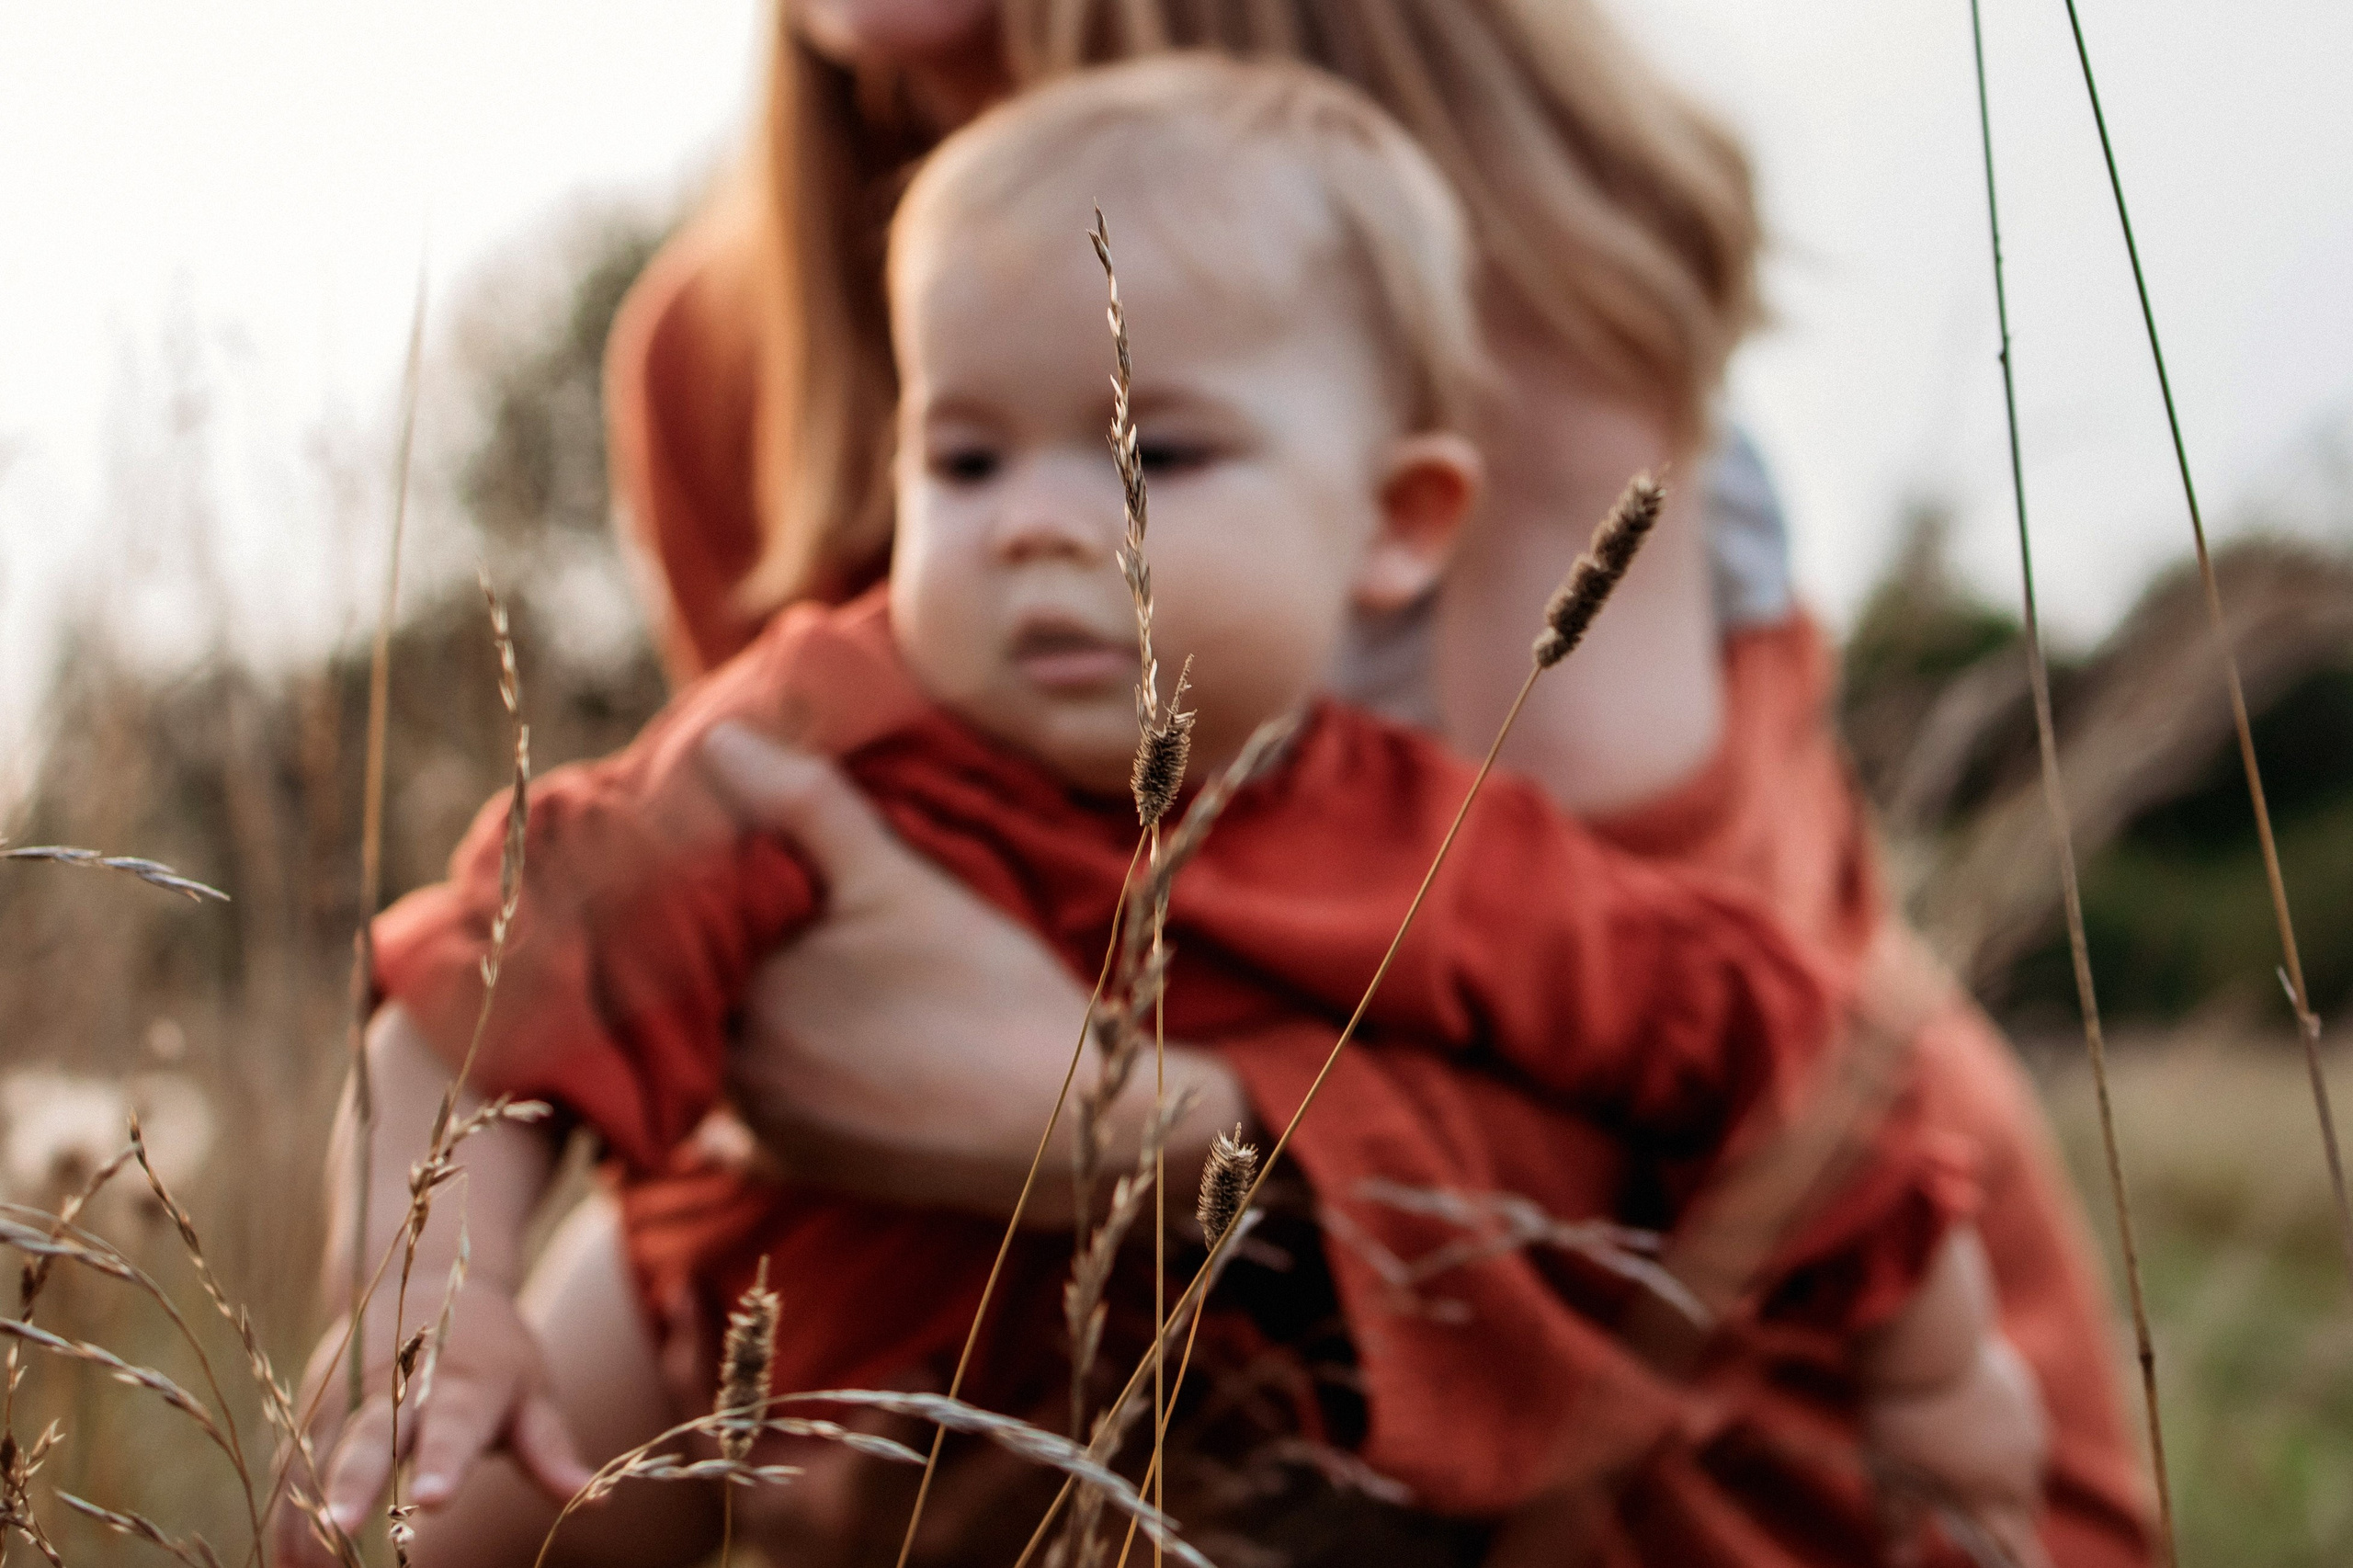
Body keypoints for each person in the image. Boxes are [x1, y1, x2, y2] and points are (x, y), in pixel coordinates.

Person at [290, 3, 2149, 1565]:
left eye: (1144, 453)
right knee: (460, 1450)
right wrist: (425, 1287)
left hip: (1575, 1387)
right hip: (891, 1292)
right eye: (955, 462)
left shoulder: (1428, 819)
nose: (1030, 527)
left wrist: (1936, 1374)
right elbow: (507, 967)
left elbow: (1751, 1059)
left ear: (1397, 520)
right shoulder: (828, 705)